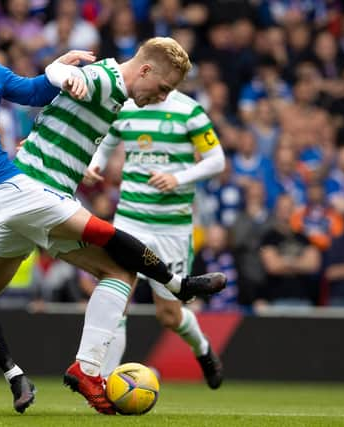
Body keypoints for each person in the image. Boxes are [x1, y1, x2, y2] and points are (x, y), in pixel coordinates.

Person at [0, 7, 225, 414]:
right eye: (163, 87)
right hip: (30, 191)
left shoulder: (13, 76)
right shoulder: (102, 78)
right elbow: (67, 82)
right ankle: (93, 363)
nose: (162, 97)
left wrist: (76, 152)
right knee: (118, 271)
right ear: (144, 71)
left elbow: (41, 96)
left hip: (19, 188)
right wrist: (62, 72)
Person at [83, 89, 226, 388]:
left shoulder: (189, 111)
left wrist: (178, 178)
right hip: (129, 219)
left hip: (172, 227)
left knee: (170, 316)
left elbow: (216, 161)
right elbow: (106, 143)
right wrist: (94, 165)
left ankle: (202, 348)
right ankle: (106, 384)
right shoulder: (127, 108)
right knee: (117, 299)